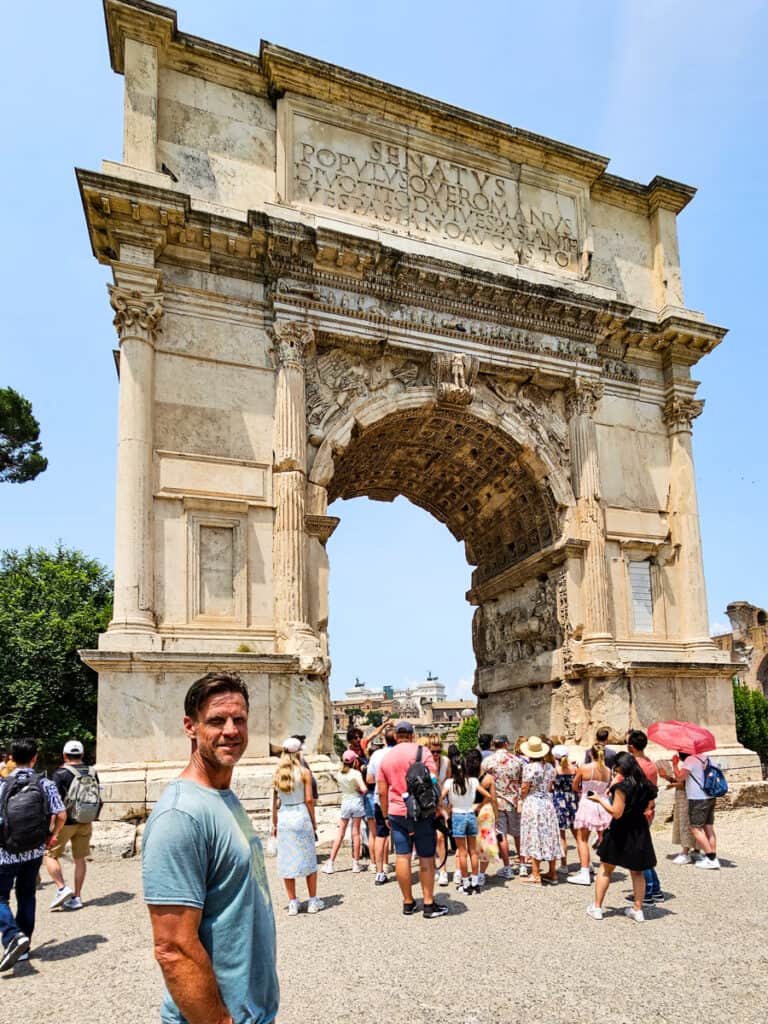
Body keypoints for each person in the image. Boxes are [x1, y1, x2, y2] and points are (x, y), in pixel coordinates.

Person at [142, 671, 279, 1024]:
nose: (231, 730)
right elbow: (171, 947)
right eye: (217, 720)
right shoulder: (180, 814)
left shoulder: (222, 795)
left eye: (239, 720)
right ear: (190, 726)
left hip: (249, 1009)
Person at [0, 737, 66, 972]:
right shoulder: (45, 783)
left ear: (11, 758)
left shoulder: (2, 784)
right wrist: (52, 836)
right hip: (34, 849)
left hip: (6, 852)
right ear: (35, 757)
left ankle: (12, 936)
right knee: (26, 895)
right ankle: (24, 949)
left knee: (0, 898)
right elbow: (60, 813)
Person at [377, 720, 447, 918]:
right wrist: (439, 807)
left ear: (396, 736)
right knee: (426, 856)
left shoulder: (386, 757)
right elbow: (434, 781)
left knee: (402, 856)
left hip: (397, 810)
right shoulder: (422, 752)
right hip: (422, 812)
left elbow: (382, 790)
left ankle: (408, 902)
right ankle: (428, 903)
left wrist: (384, 814)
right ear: (412, 734)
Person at [586, 752, 658, 923]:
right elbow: (649, 806)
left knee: (606, 869)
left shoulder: (622, 787)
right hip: (639, 828)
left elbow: (616, 813)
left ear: (620, 768)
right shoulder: (646, 785)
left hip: (621, 829)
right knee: (637, 871)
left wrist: (600, 800)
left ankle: (597, 907)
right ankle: (638, 909)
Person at [44, 739, 101, 911]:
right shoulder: (92, 771)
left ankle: (62, 888)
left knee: (50, 855)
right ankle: (77, 897)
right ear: (82, 754)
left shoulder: (60, 773)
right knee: (80, 859)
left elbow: (55, 802)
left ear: (64, 755)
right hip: (85, 820)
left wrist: (51, 827)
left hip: (65, 822)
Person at [272, 738, 323, 915]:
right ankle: (312, 900)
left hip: (285, 816)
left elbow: (274, 802)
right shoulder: (304, 772)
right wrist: (314, 821)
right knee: (309, 858)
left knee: (287, 860)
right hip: (300, 814)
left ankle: (293, 901)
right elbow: (309, 799)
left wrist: (274, 823)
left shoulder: (278, 773)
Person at [442, 753, 491, 894]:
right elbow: (488, 796)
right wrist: (479, 806)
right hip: (470, 814)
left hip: (457, 815)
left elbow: (440, 797)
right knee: (473, 851)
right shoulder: (473, 781)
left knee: (462, 852)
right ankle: (475, 882)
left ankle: (465, 882)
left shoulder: (449, 783)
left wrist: (446, 809)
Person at [567, 743, 612, 885]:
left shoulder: (585, 768)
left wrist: (581, 790)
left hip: (587, 802)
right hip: (602, 803)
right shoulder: (608, 770)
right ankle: (606, 869)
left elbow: (574, 785)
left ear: (591, 754)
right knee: (603, 836)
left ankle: (585, 871)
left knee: (582, 839)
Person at [626, 730, 663, 903]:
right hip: (648, 810)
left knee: (638, 854)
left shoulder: (634, 767)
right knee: (643, 850)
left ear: (631, 746)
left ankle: (647, 892)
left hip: (637, 812)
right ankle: (655, 888)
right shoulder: (650, 763)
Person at [518, 736, 561, 885]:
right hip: (547, 802)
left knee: (534, 834)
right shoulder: (550, 768)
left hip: (533, 802)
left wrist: (521, 798)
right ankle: (553, 872)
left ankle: (535, 874)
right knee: (549, 835)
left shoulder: (529, 768)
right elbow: (549, 787)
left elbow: (525, 788)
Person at [480, 734, 522, 879]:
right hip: (514, 800)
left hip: (497, 801)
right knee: (518, 833)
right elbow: (521, 780)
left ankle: (507, 867)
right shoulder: (517, 761)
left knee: (501, 834)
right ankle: (522, 864)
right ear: (506, 744)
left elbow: (483, 780)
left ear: (494, 744)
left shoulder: (488, 761)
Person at [675, 749, 721, 870]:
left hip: (697, 798)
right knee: (709, 828)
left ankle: (710, 858)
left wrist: (675, 765)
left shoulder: (690, 760)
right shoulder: (707, 758)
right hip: (710, 796)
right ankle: (712, 857)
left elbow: (680, 778)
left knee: (695, 828)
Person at [323, 749, 368, 874]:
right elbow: (364, 789)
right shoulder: (355, 773)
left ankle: (331, 862)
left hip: (346, 802)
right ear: (354, 762)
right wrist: (359, 790)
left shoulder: (339, 774)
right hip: (356, 802)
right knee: (356, 833)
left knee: (341, 833)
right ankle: (355, 864)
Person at [366, 727, 396, 885]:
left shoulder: (376, 755)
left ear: (384, 740)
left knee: (380, 835)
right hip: (398, 799)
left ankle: (379, 872)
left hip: (379, 798)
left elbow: (369, 779)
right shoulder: (401, 754)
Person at [465, 747, 499, 886]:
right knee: (485, 843)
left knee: (470, 843)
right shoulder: (489, 778)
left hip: (468, 808)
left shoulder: (465, 778)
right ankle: (481, 874)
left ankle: (470, 872)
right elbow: (493, 798)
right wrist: (496, 814)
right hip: (485, 810)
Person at [658, 752, 698, 863]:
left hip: (687, 797)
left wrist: (675, 765)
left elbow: (681, 782)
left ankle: (686, 853)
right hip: (685, 797)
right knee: (689, 822)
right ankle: (695, 848)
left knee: (685, 823)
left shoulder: (689, 765)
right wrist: (667, 777)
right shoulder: (690, 764)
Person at [426, 735, 452, 885]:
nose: (435, 754)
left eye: (438, 751)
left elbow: (448, 781)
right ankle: (434, 867)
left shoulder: (446, 762)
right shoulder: (424, 763)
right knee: (430, 838)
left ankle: (443, 870)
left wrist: (444, 801)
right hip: (428, 803)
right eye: (433, 751)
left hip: (442, 802)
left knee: (442, 838)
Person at [551, 744, 579, 870]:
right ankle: (586, 863)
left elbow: (550, 787)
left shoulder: (555, 771)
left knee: (561, 835)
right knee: (579, 836)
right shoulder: (575, 769)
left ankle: (564, 864)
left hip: (559, 800)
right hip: (572, 800)